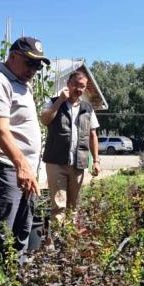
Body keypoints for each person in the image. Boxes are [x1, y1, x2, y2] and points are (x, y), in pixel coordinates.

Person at [0, 36, 50, 284]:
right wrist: (22, 165)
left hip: (23, 172)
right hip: (5, 169)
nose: (33, 70)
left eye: (38, 66)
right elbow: (0, 130)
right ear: (12, 56)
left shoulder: (20, 84)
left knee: (20, 233)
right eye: (29, 63)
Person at [40, 71, 101, 224]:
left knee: (73, 206)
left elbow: (93, 135)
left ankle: (69, 243)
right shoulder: (53, 102)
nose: (78, 89)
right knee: (58, 206)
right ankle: (57, 242)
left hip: (78, 163)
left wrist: (96, 161)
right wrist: (60, 100)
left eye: (82, 86)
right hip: (56, 162)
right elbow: (45, 120)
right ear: (68, 84)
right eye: (75, 85)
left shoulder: (87, 108)